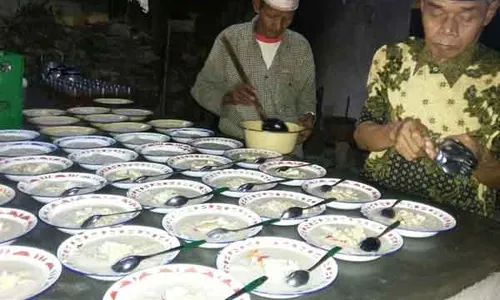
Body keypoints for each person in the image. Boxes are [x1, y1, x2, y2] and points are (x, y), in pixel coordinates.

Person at [354, 0, 500, 217]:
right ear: (421, 6)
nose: (448, 29)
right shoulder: (393, 57)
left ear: (489, 12)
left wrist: (479, 160)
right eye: (436, 12)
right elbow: (361, 137)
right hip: (378, 205)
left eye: (466, 16)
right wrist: (393, 132)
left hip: (460, 223)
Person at [191, 0, 316, 154]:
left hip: (286, 151)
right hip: (236, 145)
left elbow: (307, 96)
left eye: (287, 19)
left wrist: (309, 116)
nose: (278, 26)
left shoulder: (300, 47)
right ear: (257, 5)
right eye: (272, 16)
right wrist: (227, 97)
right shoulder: (230, 39)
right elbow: (201, 87)